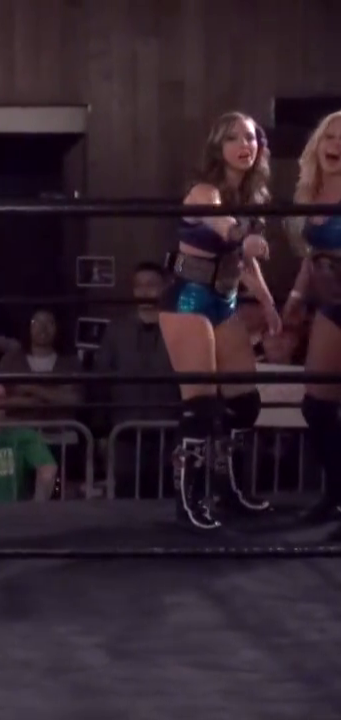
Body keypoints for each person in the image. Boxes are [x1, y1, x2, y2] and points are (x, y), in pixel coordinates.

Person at [157, 111, 281, 532]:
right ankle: (189, 500)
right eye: (233, 138)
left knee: (244, 402)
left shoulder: (251, 196)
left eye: (250, 137)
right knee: (201, 405)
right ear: (217, 147)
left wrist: (267, 302)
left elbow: (244, 261)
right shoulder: (204, 191)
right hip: (188, 298)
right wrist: (242, 236)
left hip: (225, 299)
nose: (244, 145)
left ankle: (228, 491)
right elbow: (223, 226)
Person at [284, 110, 341, 533]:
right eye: (331, 137)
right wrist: (296, 296)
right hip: (330, 301)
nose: (337, 146)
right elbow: (310, 256)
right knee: (316, 405)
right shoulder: (311, 191)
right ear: (318, 143)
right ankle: (335, 493)